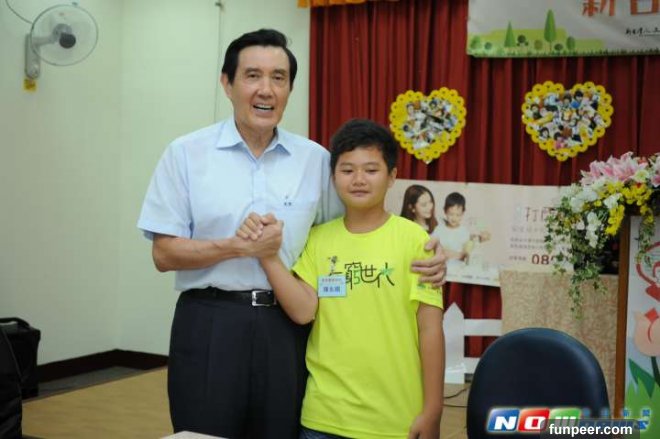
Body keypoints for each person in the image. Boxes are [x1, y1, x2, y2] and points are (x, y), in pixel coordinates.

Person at [137, 29, 446, 438]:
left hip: (286, 326)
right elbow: (163, 254)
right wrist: (237, 246)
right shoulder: (186, 154)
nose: (266, 89)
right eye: (253, 75)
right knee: (203, 432)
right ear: (227, 84)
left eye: (278, 77)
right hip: (211, 320)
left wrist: (428, 251)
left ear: (290, 89)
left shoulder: (315, 160)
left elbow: (358, 230)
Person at [252, 119, 445, 439]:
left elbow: (430, 329)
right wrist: (267, 256)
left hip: (396, 419)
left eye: (371, 170)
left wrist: (433, 409)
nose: (358, 180)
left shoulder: (415, 241)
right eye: (347, 170)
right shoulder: (318, 239)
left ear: (392, 176)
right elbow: (303, 311)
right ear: (333, 177)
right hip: (323, 418)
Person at [432, 192, 471, 262]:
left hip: (458, 264)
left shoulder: (464, 231)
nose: (454, 218)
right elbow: (433, 245)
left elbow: (465, 253)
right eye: (451, 214)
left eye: (458, 215)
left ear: (462, 213)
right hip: (441, 263)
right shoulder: (439, 229)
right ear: (445, 211)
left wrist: (462, 255)